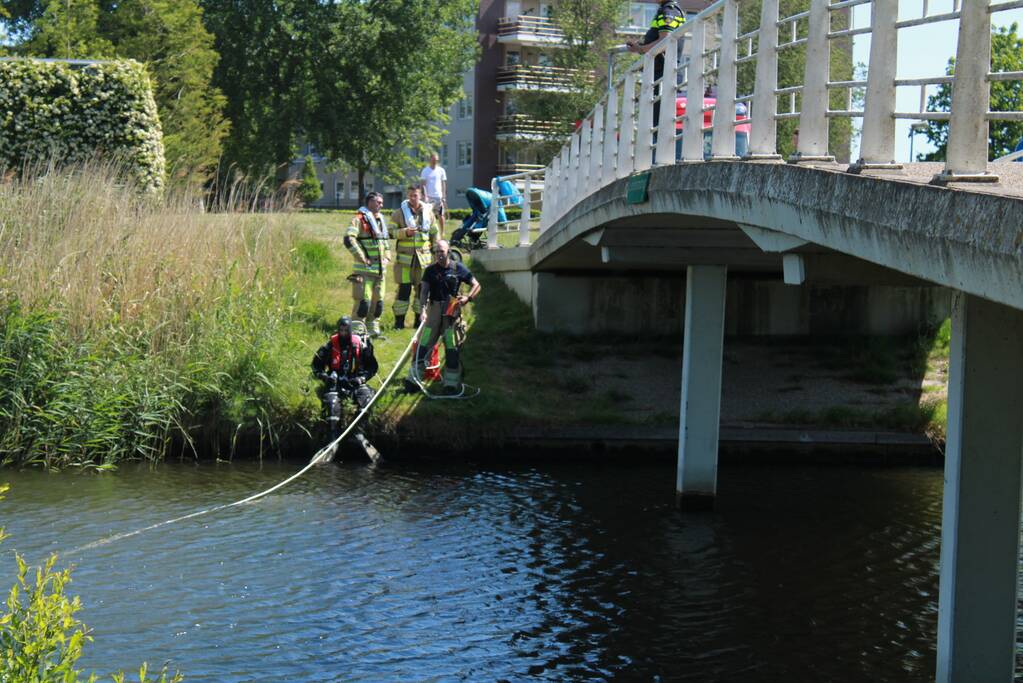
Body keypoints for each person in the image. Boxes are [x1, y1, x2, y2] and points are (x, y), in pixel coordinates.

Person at [406, 240, 481, 394]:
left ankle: (451, 384)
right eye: (437, 252)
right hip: (433, 314)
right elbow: (424, 292)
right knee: (423, 345)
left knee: (451, 349)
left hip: (450, 316)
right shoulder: (430, 270)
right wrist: (423, 310)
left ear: (448, 252)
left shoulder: (458, 268)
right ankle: (412, 382)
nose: (440, 254)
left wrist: (468, 298)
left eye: (442, 251)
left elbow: (476, 285)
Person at [311, 316, 380, 458]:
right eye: (340, 330)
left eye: (345, 330)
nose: (343, 333)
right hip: (336, 384)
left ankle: (357, 432)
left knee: (367, 399)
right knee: (332, 404)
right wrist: (325, 377)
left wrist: (361, 379)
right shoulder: (330, 345)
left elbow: (372, 367)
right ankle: (333, 438)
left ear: (350, 330)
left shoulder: (361, 345)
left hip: (354, 382)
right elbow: (316, 366)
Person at [626, 0, 685, 131]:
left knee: (658, 123)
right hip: (661, 73)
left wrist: (641, 49)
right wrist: (640, 46)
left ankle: (660, 150)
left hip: (663, 74)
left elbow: (665, 41)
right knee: (654, 122)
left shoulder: (669, 10)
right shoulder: (666, 9)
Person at [390, 185, 438, 330]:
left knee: (422, 291)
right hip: (404, 262)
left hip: (424, 262)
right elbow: (391, 232)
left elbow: (434, 234)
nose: (412, 198)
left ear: (421, 196)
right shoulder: (398, 213)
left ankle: (418, 321)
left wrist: (436, 254)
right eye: (410, 195)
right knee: (403, 291)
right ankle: (399, 323)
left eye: (415, 195)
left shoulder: (429, 214)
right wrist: (405, 232)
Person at [345, 191, 391, 337]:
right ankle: (357, 332)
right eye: (378, 202)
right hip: (364, 271)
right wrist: (362, 257)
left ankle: (372, 330)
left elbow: (386, 243)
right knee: (363, 302)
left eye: (382, 203)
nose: (381, 205)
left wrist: (387, 258)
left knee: (378, 303)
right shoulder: (359, 219)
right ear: (369, 202)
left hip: (380, 272)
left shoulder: (381, 220)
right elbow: (348, 239)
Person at [419, 153, 447, 233]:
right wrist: (424, 195)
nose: (435, 161)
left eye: (437, 160)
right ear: (430, 159)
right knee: (427, 216)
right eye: (433, 160)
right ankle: (427, 232)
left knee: (441, 215)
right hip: (429, 197)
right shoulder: (425, 170)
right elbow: (422, 184)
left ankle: (442, 233)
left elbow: (443, 184)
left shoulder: (441, 170)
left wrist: (444, 196)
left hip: (439, 197)